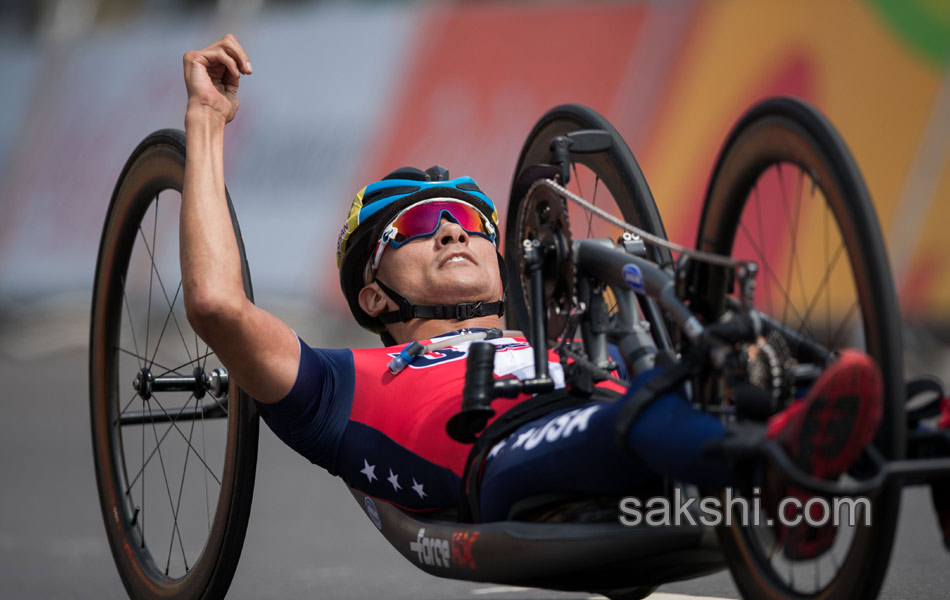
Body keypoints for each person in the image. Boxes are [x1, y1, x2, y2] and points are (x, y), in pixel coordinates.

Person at [180, 34, 885, 554]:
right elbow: (217, 306)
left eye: (473, 222)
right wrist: (206, 123)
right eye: (422, 225)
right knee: (640, 410)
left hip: (634, 405)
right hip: (509, 458)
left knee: (744, 357)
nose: (455, 232)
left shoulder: (568, 334)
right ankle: (773, 470)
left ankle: (916, 426)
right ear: (372, 298)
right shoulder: (340, 383)